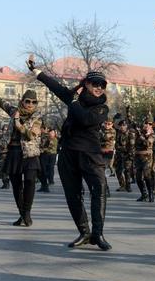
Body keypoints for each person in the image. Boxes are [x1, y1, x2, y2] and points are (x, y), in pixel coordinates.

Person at [29, 57, 112, 250]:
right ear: (86, 84)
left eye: (102, 85)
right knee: (72, 194)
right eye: (95, 84)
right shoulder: (74, 99)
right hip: (68, 154)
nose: (99, 87)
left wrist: (73, 101)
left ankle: (98, 234)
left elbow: (84, 119)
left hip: (91, 155)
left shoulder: (102, 107)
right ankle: (84, 232)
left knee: (99, 190)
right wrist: (37, 72)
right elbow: (56, 87)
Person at [0, 83, 42, 226]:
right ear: (22, 101)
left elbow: (31, 135)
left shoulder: (37, 117)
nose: (30, 104)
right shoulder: (14, 111)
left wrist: (18, 122)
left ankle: (27, 213)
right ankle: (22, 214)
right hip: (14, 153)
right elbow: (2, 103)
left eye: (33, 102)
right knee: (16, 185)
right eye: (27, 101)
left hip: (30, 154)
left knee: (30, 182)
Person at [133, 116, 155, 202]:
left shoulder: (152, 134)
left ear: (151, 125)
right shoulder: (139, 132)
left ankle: (150, 193)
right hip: (138, 157)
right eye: (145, 123)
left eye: (149, 124)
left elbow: (147, 144)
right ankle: (143, 194)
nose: (146, 125)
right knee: (138, 178)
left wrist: (142, 137)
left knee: (147, 176)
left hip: (147, 157)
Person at [100, 118, 116, 197]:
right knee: (99, 171)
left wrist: (99, 132)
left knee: (102, 170)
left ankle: (106, 190)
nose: (107, 125)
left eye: (109, 124)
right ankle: (104, 188)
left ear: (112, 124)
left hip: (108, 152)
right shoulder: (101, 129)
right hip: (100, 152)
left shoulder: (112, 131)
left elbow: (106, 137)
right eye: (105, 123)